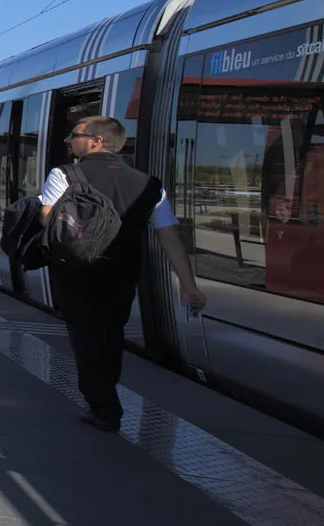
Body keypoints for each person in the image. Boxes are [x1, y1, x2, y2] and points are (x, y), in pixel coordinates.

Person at [39, 115, 206, 432]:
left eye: (74, 135)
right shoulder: (151, 185)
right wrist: (188, 284)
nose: (68, 140)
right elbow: (169, 237)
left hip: (75, 269)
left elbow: (47, 219)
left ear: (95, 141)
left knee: (85, 336)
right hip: (123, 272)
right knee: (111, 334)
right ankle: (104, 396)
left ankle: (104, 407)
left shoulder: (65, 174)